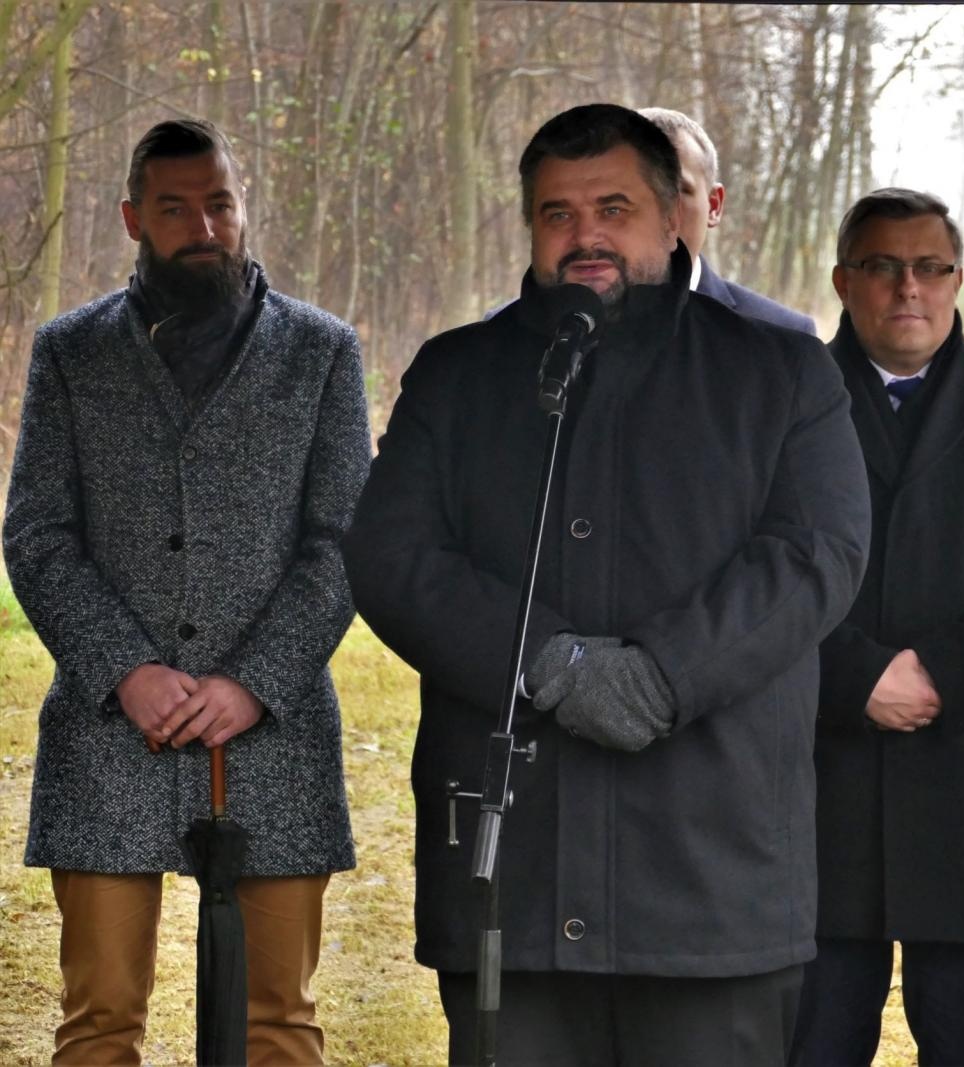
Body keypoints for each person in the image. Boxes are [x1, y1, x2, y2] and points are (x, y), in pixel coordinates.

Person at [341, 103, 870, 1066]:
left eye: (613, 206)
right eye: (557, 212)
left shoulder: (778, 370)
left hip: (712, 880)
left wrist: (663, 674)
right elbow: (391, 553)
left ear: (674, 217)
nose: (585, 233)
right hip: (515, 882)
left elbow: (817, 553)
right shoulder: (458, 374)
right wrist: (544, 660)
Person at [2, 118, 369, 1064]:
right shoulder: (71, 351)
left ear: (243, 211)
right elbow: (38, 534)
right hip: (109, 732)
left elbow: (343, 544)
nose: (202, 225)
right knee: (98, 1022)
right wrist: (124, 668)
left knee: (277, 1026)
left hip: (275, 736)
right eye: (175, 207)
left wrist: (253, 681)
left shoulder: (322, 351)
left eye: (219, 203)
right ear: (134, 218)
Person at [787, 189, 964, 1067]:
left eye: (930, 267)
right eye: (882, 266)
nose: (906, 287)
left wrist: (943, 674)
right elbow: (753, 567)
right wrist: (855, 677)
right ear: (844, 280)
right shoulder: (786, 401)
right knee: (808, 1043)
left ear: (957, 279)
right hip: (817, 781)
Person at [638, 107, 816, 334]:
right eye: (628, 195)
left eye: (674, 190)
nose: (653, 212)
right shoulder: (582, 325)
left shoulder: (784, 336)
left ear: (714, 205)